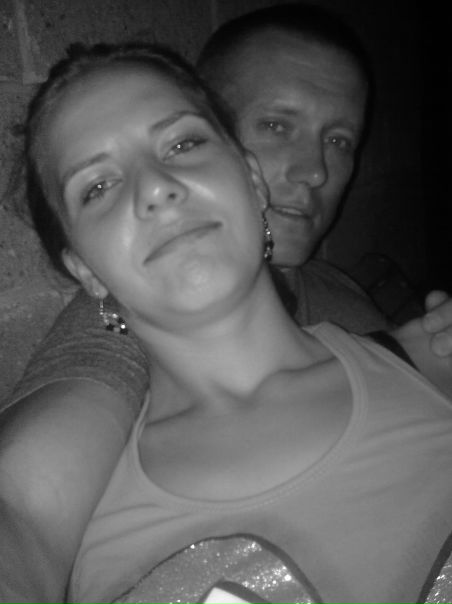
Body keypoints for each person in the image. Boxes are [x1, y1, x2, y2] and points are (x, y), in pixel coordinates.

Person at [2, 41, 451, 604]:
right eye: (97, 187)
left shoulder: (428, 366)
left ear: (252, 180)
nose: (155, 187)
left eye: (183, 143)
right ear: (86, 270)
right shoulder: (87, 532)